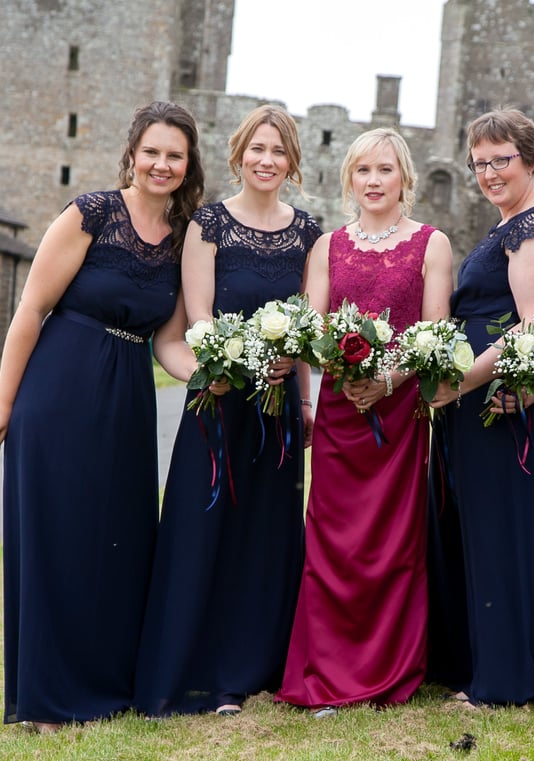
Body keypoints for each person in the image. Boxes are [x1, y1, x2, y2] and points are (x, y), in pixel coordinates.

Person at [0, 101, 205, 731]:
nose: (162, 165)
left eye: (174, 155)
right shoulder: (90, 213)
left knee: (118, 537)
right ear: (132, 154)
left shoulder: (183, 239)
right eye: (152, 152)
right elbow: (31, 309)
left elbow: (169, 340)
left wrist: (213, 372)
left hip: (128, 399)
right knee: (56, 535)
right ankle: (45, 699)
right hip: (59, 387)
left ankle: (104, 685)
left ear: (189, 163)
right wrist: (4, 402)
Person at [133, 105, 321, 717]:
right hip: (218, 400)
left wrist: (302, 390)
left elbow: (306, 326)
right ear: (238, 155)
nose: (267, 160)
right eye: (256, 149)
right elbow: (199, 320)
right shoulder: (208, 225)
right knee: (203, 526)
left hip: (278, 408)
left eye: (278, 151)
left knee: (266, 533)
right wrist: (219, 369)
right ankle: (195, 668)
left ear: (292, 162)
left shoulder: (308, 233)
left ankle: (254, 669)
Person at [275, 128, 453, 714]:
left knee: (392, 542)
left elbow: (434, 333)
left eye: (385, 170)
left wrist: (388, 380)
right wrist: (342, 369)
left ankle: (387, 666)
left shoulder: (431, 244)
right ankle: (326, 670)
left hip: (399, 416)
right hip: (340, 411)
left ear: (405, 177)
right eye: (363, 171)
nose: (373, 181)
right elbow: (313, 327)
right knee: (333, 540)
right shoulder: (327, 246)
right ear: (349, 178)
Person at [426, 109, 534, 706]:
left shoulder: (532, 229)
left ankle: (509, 677)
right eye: (479, 163)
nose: (489, 173)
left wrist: (458, 382)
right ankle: (478, 662)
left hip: (501, 404)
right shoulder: (509, 223)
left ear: (530, 159)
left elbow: (533, 329)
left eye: (501, 160)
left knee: (501, 535)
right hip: (476, 400)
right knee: (478, 531)